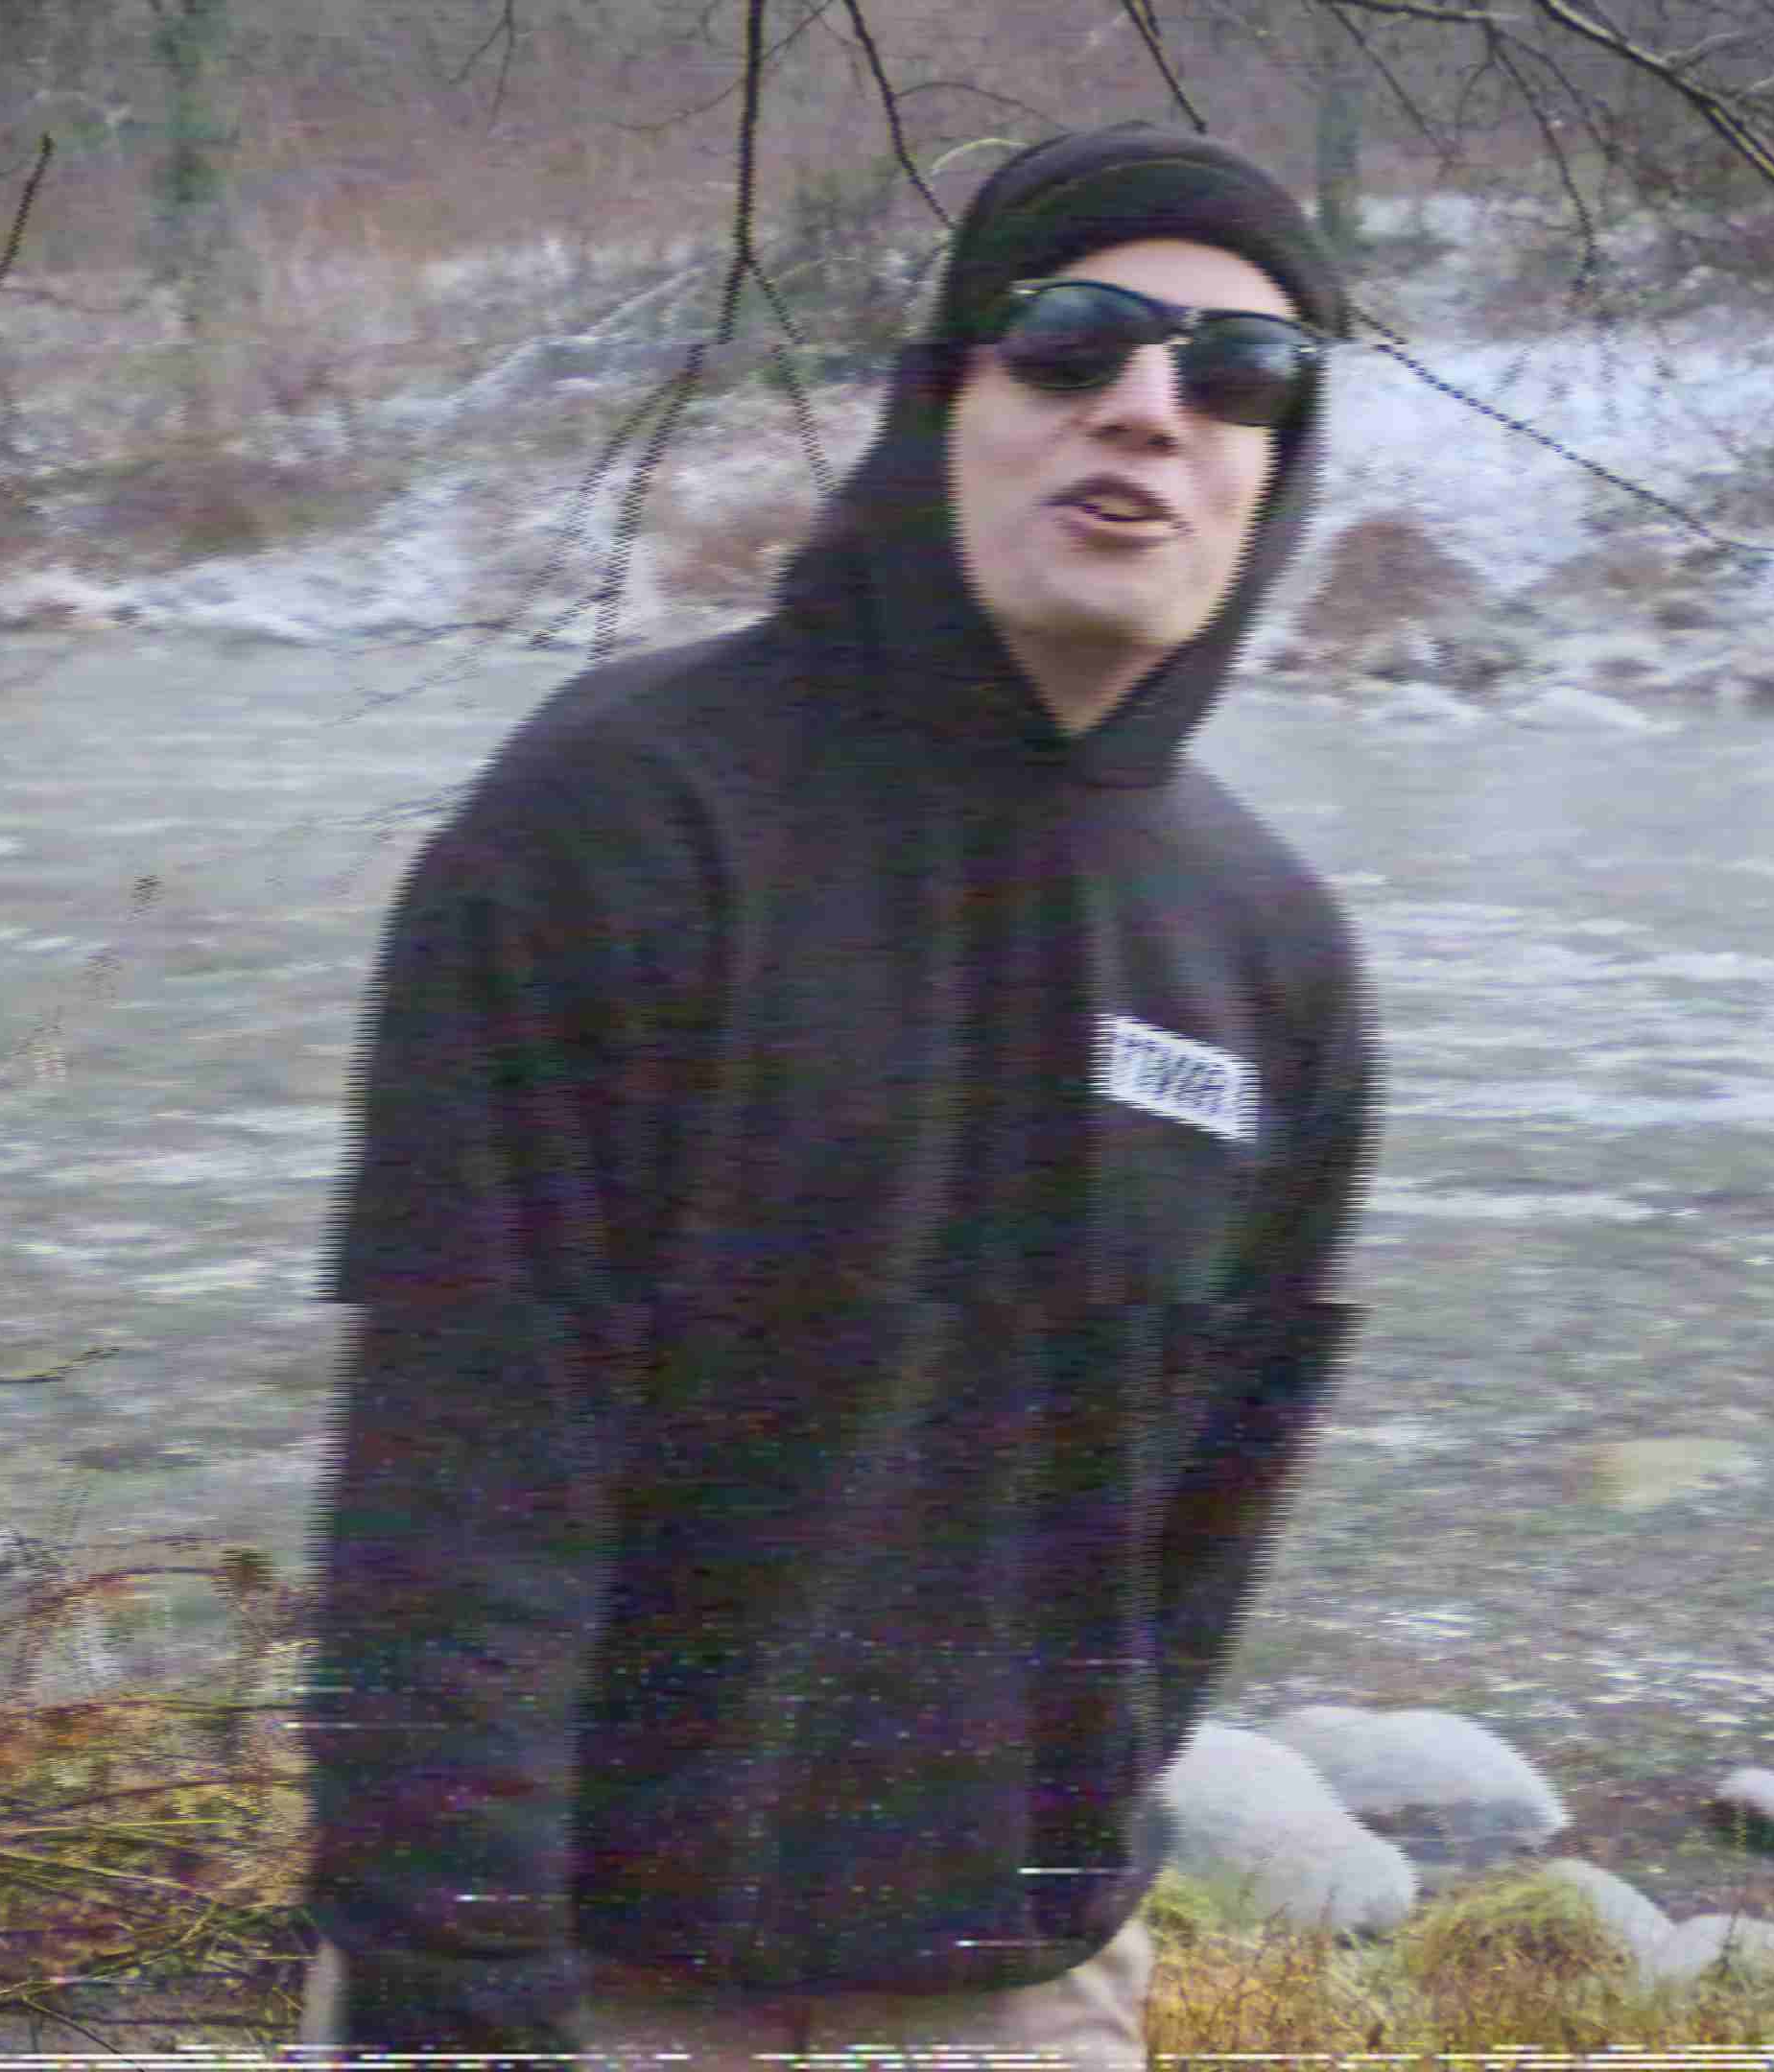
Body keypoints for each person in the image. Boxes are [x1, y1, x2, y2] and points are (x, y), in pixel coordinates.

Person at [298, 122, 1375, 2062]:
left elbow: (1206, 1520)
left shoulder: (1273, 957)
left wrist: (1071, 1871)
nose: (1149, 407)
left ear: (1273, 475)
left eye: (1239, 374)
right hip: (586, 1981)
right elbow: (460, 1483)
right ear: (943, 396)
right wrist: (451, 1998)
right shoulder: (625, 816)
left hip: (1021, 2003)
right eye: (1073, 339)